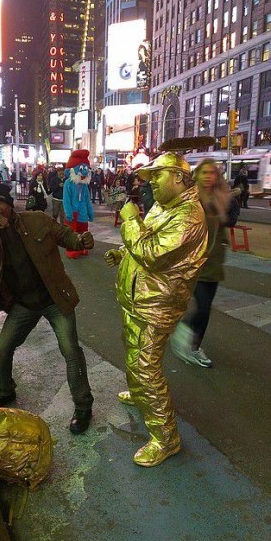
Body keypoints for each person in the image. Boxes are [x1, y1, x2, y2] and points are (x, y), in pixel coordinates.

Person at [0, 183, 94, 434]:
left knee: (71, 350)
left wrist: (81, 239)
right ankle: (5, 390)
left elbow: (67, 238)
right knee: (2, 348)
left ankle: (83, 406)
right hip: (23, 304)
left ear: (9, 206)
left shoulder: (37, 220)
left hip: (54, 299)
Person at [104, 152, 208, 467]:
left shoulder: (189, 215)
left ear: (178, 177)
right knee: (133, 352)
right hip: (138, 298)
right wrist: (124, 253)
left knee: (146, 369)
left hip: (156, 306)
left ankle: (166, 438)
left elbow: (153, 255)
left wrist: (131, 219)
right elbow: (146, 244)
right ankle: (138, 393)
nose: (151, 185)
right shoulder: (164, 207)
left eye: (157, 177)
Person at [170, 159, 240, 368]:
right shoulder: (189, 198)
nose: (209, 177)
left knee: (206, 308)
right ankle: (183, 334)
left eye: (213, 173)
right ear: (197, 175)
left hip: (214, 259)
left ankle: (194, 346)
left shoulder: (220, 198)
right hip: (194, 261)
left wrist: (227, 201)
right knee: (201, 306)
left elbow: (231, 220)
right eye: (204, 173)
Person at [63, 149, 94, 259]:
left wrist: (90, 212)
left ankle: (81, 248)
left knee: (83, 232)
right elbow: (66, 200)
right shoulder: (68, 184)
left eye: (86, 168)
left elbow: (87, 200)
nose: (84, 172)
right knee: (72, 233)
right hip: (73, 213)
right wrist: (68, 212)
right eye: (81, 168)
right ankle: (72, 249)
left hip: (83, 213)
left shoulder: (84, 185)